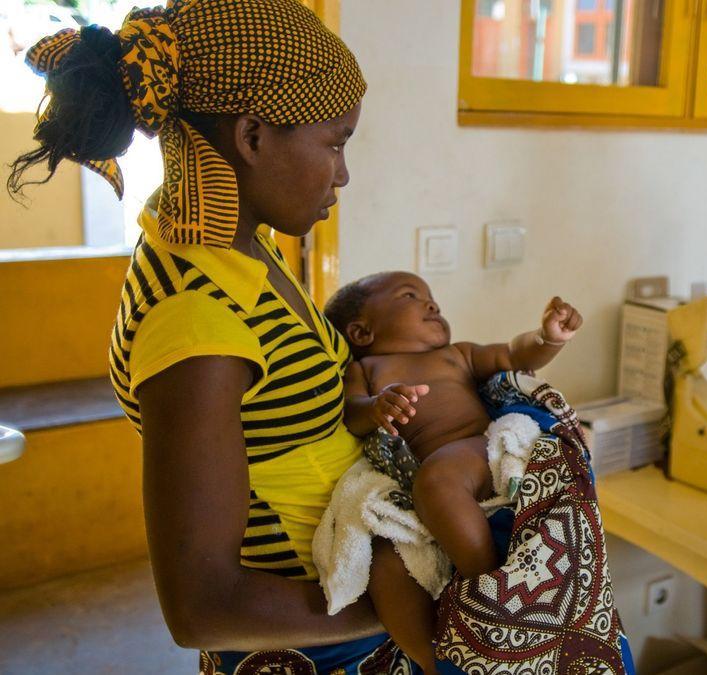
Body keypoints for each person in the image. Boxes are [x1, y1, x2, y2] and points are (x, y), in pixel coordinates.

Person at [5, 1, 421, 672]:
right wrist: (427, 603)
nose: (343, 173)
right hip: (322, 649)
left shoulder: (238, 248)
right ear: (253, 137)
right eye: (335, 142)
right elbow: (203, 606)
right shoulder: (197, 323)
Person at [321, 271, 582, 671]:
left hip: (476, 451)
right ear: (361, 331)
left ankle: (494, 598)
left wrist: (546, 339)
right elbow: (352, 413)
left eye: (433, 299)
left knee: (438, 482)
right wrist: (375, 407)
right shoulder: (368, 370)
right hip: (420, 478)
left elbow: (515, 355)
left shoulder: (456, 354)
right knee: (385, 561)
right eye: (411, 295)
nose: (433, 305)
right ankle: (436, 661)